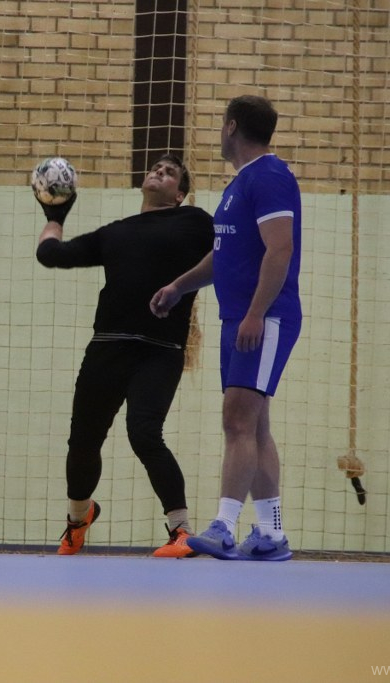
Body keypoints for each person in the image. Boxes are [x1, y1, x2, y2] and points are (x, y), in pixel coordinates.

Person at [36, 153, 215, 557]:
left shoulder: (194, 222)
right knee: (83, 441)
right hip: (107, 347)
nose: (159, 172)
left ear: (180, 194)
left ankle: (181, 531)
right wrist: (55, 214)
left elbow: (230, 251)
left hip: (160, 351)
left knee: (144, 433)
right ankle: (79, 519)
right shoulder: (117, 232)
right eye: (156, 168)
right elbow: (51, 254)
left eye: (170, 173)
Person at [150, 95, 301, 561]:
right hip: (239, 317)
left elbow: (280, 249)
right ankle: (271, 534)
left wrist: (257, 313)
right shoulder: (240, 184)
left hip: (264, 316)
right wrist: (178, 286)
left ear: (231, 126)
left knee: (236, 420)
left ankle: (223, 526)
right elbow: (225, 256)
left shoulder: (270, 176)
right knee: (253, 425)